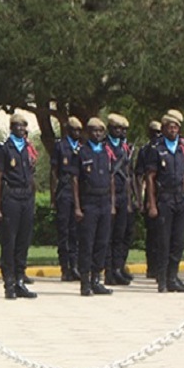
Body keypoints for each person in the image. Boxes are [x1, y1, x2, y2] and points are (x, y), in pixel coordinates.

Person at [0, 113, 37, 299]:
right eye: (18, 126)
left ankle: (20, 280)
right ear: (12, 127)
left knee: (23, 241)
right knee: (9, 242)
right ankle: (9, 283)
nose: (22, 129)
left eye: (24, 126)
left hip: (26, 197)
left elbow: (32, 174)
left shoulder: (27, 148)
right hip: (10, 197)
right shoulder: (4, 148)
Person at [146, 113, 184, 293]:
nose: (173, 130)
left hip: (179, 199)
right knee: (163, 241)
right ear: (164, 129)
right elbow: (150, 178)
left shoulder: (180, 149)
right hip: (164, 199)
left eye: (176, 127)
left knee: (178, 241)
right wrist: (152, 203)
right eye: (170, 127)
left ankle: (173, 276)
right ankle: (162, 278)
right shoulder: (156, 149)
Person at [72, 117, 114, 296]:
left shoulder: (106, 152)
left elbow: (111, 178)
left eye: (100, 131)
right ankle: (85, 281)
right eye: (94, 131)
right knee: (87, 243)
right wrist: (77, 207)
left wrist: (112, 204)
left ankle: (97, 279)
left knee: (102, 242)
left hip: (104, 202)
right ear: (88, 133)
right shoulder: (82, 152)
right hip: (89, 202)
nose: (98, 134)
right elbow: (75, 181)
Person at [50, 116, 82, 281]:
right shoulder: (60, 146)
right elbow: (54, 172)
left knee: (75, 232)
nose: (77, 133)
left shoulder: (81, 147)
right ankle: (65, 268)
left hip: (77, 193)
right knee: (63, 231)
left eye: (79, 130)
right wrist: (53, 195)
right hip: (64, 190)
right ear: (68, 130)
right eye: (75, 130)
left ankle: (75, 266)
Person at [104, 113, 135, 286]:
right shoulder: (105, 147)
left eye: (122, 129)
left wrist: (129, 201)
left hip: (123, 195)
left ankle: (118, 268)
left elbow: (128, 175)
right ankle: (109, 271)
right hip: (109, 196)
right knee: (108, 235)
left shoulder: (125, 148)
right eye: (116, 128)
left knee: (121, 235)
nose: (120, 132)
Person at [135, 120, 163, 279]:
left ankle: (161, 267)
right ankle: (152, 266)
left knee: (165, 234)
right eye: (154, 133)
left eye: (159, 133)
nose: (156, 136)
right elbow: (140, 175)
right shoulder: (145, 151)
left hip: (166, 194)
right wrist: (141, 199)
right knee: (152, 235)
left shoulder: (167, 149)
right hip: (151, 195)